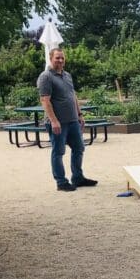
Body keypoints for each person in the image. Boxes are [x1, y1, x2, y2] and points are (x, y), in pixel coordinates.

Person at [37, 48, 98, 192]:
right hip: (58, 122)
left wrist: (80, 114)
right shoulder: (46, 77)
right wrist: (54, 121)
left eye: (62, 58)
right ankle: (61, 182)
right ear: (51, 58)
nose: (60, 60)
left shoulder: (67, 75)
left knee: (79, 148)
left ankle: (77, 177)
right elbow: (45, 100)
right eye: (57, 58)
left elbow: (73, 95)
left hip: (72, 121)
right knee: (58, 152)